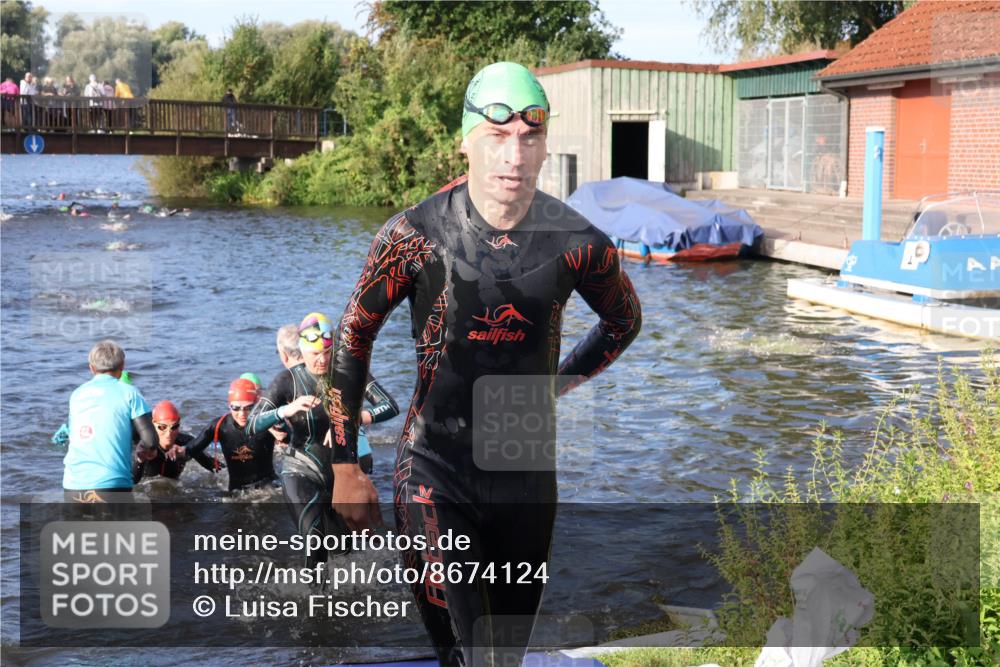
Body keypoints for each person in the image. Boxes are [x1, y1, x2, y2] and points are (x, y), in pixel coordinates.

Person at [325, 61, 642, 666]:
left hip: (525, 473)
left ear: (546, 146)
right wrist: (344, 464)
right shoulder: (414, 236)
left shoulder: (580, 244)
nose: (513, 157)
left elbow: (623, 322)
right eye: (497, 137)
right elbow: (353, 335)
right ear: (466, 139)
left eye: (529, 138)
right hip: (434, 469)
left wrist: (556, 386)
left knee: (502, 656)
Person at [247, 313, 399, 566]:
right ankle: (313, 600)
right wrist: (286, 409)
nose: (322, 360)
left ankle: (340, 602)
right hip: (301, 470)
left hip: (340, 475)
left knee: (343, 553)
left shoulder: (348, 372)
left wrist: (351, 419)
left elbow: (390, 406)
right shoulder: (288, 381)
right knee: (314, 542)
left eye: (327, 352)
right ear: (302, 351)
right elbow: (252, 424)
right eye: (315, 354)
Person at [62, 341, 158, 503]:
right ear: (122, 366)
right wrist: (145, 450)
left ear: (91, 368)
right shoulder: (130, 393)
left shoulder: (76, 395)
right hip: (112, 486)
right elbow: (150, 440)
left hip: (73, 485)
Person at [175, 378, 278, 492]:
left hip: (269, 489)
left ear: (256, 405)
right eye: (236, 408)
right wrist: (179, 451)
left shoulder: (267, 423)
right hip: (236, 492)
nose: (242, 414)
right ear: (229, 405)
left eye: (248, 408)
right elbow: (194, 447)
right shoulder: (219, 426)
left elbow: (294, 441)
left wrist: (281, 433)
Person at [132, 400, 218, 482]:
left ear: (179, 424)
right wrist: (140, 461)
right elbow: (131, 482)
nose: (168, 434)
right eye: (162, 427)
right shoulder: (145, 446)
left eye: (174, 427)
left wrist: (186, 453)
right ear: (153, 424)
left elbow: (217, 468)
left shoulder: (185, 443)